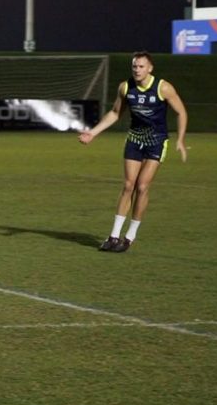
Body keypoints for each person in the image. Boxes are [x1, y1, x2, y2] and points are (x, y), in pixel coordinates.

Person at [78, 51, 188, 253]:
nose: (137, 70)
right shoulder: (126, 87)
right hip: (135, 139)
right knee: (128, 185)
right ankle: (113, 236)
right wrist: (93, 133)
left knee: (142, 186)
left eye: (141, 66)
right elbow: (115, 113)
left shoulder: (163, 87)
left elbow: (181, 111)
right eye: (135, 66)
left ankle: (130, 236)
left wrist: (180, 139)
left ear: (150, 68)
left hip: (156, 141)